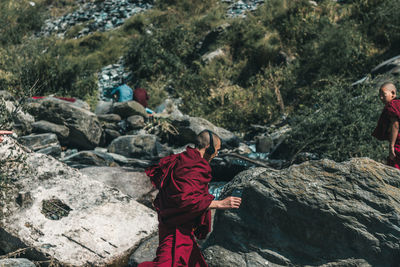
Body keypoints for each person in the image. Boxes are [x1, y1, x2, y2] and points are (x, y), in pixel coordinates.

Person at [138, 130, 242, 267]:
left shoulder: (182, 158)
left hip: (174, 223)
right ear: (208, 148)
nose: (217, 154)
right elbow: (185, 200)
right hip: (176, 230)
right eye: (217, 150)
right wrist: (220, 203)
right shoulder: (194, 166)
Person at [372, 82, 400, 169]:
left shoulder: (392, 106)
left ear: (393, 93)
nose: (381, 98)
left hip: (398, 142)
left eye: (383, 94)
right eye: (379, 95)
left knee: (395, 167)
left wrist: (391, 145)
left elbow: (395, 125)